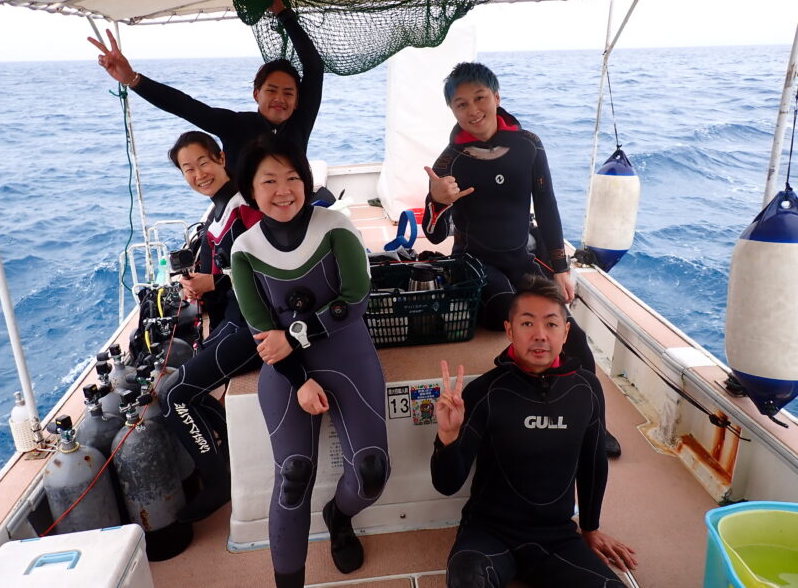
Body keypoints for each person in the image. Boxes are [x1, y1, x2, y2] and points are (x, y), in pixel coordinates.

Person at [421, 61, 621, 458]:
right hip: (474, 263)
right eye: (461, 104)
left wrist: (561, 269)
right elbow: (433, 234)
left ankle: (596, 427)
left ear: (496, 97)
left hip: (520, 258)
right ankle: (533, 403)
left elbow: (546, 208)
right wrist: (436, 201)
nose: (473, 109)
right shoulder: (449, 161)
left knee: (572, 336)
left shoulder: (528, 145)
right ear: (453, 111)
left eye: (480, 98)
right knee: (509, 317)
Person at [230, 134, 389, 588]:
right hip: (285, 372)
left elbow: (354, 300)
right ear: (251, 189)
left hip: (348, 354)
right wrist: (298, 377)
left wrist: (296, 334)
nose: (284, 190)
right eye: (269, 181)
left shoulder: (335, 225)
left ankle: (339, 516)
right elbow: (265, 335)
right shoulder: (243, 250)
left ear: (306, 181)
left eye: (293, 177)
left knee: (372, 471)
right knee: (294, 474)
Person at [432, 276, 637, 588]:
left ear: (566, 332)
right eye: (527, 324)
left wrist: (590, 529)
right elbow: (446, 484)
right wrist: (447, 436)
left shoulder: (586, 389)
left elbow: (593, 462)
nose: (540, 335)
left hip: (556, 537)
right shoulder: (486, 391)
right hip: (488, 532)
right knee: (466, 580)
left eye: (552, 324)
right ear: (509, 330)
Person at [88, 0, 323, 180]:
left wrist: (283, 14)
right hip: (245, 221)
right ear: (256, 95)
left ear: (297, 101)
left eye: (288, 93)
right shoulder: (235, 124)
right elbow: (184, 106)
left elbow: (314, 69)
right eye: (271, 90)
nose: (280, 98)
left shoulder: (300, 123)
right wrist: (132, 79)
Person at [155, 131, 262, 523]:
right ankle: (227, 457)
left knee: (174, 395)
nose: (198, 173)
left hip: (254, 325)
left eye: (203, 162)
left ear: (220, 158)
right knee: (188, 384)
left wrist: (214, 282)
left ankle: (216, 485)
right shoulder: (217, 210)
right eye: (187, 168)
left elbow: (268, 267)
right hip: (233, 317)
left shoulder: (246, 206)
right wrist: (200, 285)